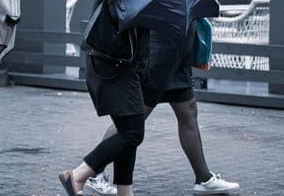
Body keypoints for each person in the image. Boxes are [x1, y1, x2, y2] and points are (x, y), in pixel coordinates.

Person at [86, 28, 240, 195]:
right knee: (132, 121)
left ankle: (204, 178)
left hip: (178, 55)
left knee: (188, 110)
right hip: (161, 55)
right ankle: (92, 172)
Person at [60, 0, 150, 196]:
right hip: (116, 66)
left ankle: (124, 192)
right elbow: (126, 18)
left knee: (127, 129)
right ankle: (79, 174)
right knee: (133, 133)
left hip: (110, 63)